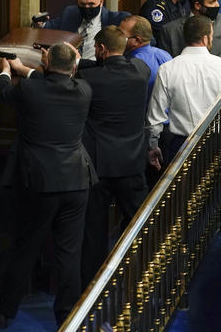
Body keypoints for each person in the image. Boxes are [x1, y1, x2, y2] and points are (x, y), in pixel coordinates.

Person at [0, 43, 94, 328]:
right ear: (74, 67)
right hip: (76, 182)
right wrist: (38, 66)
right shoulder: (83, 91)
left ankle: (3, 312)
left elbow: (4, 92)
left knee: (26, 248)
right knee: (69, 253)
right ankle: (68, 315)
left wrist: (8, 71)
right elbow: (64, 73)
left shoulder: (31, 90)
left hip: (40, 183)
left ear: (46, 66)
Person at [76, 26, 151, 288]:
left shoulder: (90, 80)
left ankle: (91, 288)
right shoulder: (141, 72)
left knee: (93, 232)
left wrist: (76, 62)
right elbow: (116, 65)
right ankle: (139, 280)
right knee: (139, 227)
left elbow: (86, 72)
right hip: (132, 164)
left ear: (100, 49)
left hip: (99, 168)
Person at [146, 15, 221, 170]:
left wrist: (153, 147)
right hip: (216, 144)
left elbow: (155, 118)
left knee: (181, 193)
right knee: (215, 192)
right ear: (205, 38)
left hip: (180, 146)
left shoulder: (168, 69)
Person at [40, 0, 130, 60]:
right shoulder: (70, 13)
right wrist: (40, 23)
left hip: (98, 69)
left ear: (101, 2)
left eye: (91, 4)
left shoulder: (117, 20)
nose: (86, 8)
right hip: (69, 69)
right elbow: (49, 26)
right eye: (82, 4)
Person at [157, 0, 221, 65]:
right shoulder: (170, 30)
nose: (217, 5)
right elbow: (166, 62)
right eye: (212, 2)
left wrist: (208, 66)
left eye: (217, 0)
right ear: (197, 5)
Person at [118, 15, 172, 98]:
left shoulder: (130, 64)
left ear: (137, 40)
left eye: (121, 35)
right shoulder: (165, 54)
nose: (116, 37)